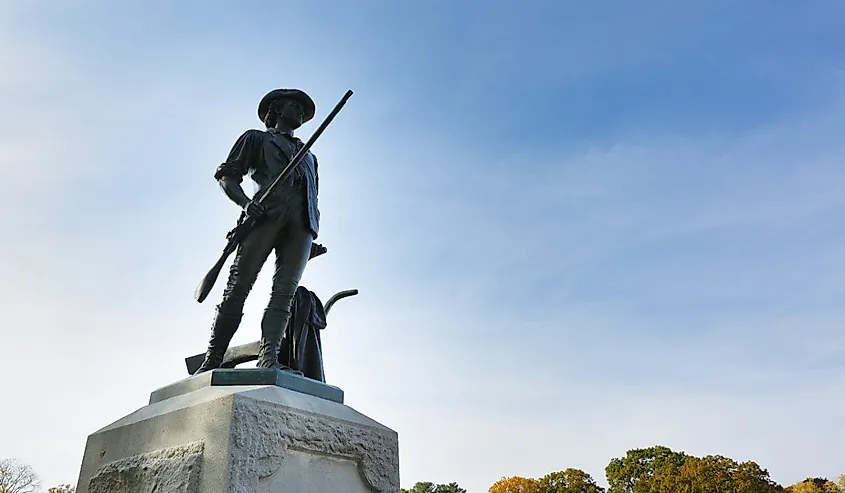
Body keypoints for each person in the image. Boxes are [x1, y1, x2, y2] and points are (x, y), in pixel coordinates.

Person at [193, 88, 327, 374]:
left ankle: (269, 358)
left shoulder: (310, 157)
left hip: (301, 227)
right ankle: (213, 359)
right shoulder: (256, 138)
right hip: (263, 217)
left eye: (303, 110)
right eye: (294, 105)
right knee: (238, 288)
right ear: (276, 109)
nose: (300, 112)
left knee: (284, 294)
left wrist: (312, 235)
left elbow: (312, 197)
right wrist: (245, 204)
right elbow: (228, 176)